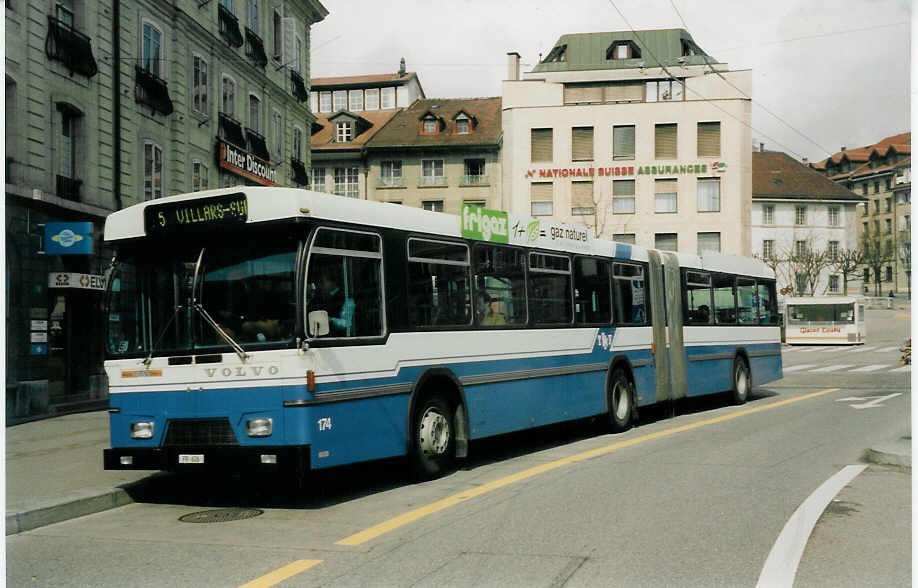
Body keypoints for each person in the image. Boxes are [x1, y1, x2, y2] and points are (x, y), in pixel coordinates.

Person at [311, 266, 354, 336]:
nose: (320, 286)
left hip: (339, 340)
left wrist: (331, 320)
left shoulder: (346, 299)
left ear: (332, 282)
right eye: (319, 283)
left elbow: (347, 324)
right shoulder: (319, 298)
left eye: (323, 282)